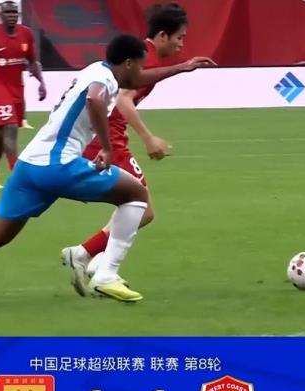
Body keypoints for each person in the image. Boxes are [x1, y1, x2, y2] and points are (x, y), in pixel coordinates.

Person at [0, 34, 215, 307]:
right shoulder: (104, 80)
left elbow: (132, 82)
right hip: (58, 164)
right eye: (140, 66)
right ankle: (105, 274)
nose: (142, 72)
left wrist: (181, 67)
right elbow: (95, 99)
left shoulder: (99, 70)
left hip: (29, 166)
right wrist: (106, 148)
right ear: (129, 63)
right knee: (137, 196)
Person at [61, 2, 188, 295]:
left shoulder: (142, 55)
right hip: (108, 140)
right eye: (180, 37)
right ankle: (97, 267)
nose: (181, 44)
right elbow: (123, 100)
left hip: (108, 136)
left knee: (133, 205)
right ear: (163, 35)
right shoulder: (146, 60)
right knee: (143, 208)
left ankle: (86, 257)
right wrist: (149, 138)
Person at [0, 0, 46, 190]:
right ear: (0, 15)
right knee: (11, 127)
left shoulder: (26, 34)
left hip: (17, 89)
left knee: (1, 131)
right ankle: (17, 176)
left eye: (14, 12)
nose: (12, 15)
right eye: (8, 12)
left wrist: (41, 82)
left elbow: (32, 61)